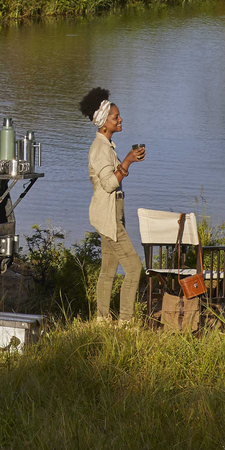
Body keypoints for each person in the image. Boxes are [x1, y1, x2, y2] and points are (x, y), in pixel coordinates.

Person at [82, 86, 145, 325]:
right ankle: (126, 322)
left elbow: (110, 178)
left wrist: (128, 160)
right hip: (108, 216)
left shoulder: (106, 146)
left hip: (109, 214)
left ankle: (102, 319)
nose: (120, 120)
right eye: (116, 117)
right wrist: (127, 161)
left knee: (108, 270)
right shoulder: (100, 148)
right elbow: (109, 184)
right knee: (134, 268)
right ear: (103, 122)